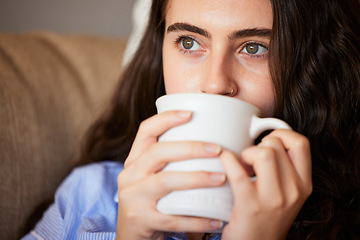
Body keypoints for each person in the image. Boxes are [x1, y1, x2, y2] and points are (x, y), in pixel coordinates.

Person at [22, 0, 360, 239]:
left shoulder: (344, 215)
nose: (214, 84)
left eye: (254, 47)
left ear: (308, 66)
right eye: (189, 42)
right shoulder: (87, 193)